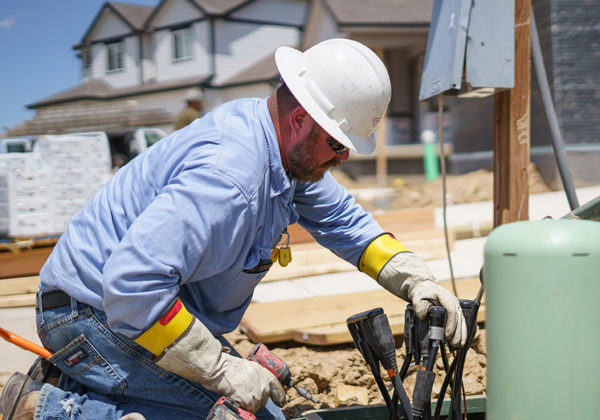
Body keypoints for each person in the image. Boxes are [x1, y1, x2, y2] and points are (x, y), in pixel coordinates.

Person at [0, 38, 466, 420]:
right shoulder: (229, 177)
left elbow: (346, 223)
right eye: (338, 143)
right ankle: (43, 408)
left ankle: (85, 382)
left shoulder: (280, 152)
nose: (343, 158)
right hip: (92, 314)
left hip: (136, 310)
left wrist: (415, 279)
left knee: (265, 411)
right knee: (237, 418)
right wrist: (221, 368)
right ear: (301, 119)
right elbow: (133, 286)